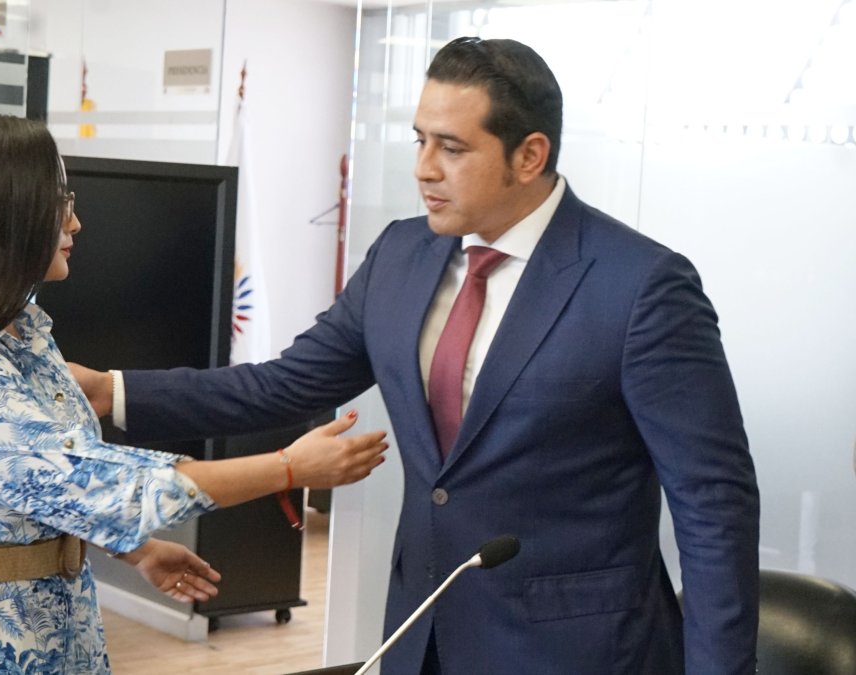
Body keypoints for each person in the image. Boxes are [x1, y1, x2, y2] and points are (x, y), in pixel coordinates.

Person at [73, 37, 760, 674]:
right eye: (420, 140)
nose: (423, 168)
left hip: (578, 646)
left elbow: (713, 505)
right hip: (424, 629)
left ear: (529, 155)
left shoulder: (640, 286)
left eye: (452, 148)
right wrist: (111, 391)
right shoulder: (402, 254)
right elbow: (281, 385)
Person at [0, 114, 389, 674]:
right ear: (5, 213)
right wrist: (289, 468)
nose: (76, 223)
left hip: (57, 626)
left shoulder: (25, 336)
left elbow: (42, 496)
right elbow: (94, 481)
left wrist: (136, 550)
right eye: (61, 201)